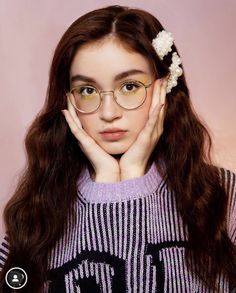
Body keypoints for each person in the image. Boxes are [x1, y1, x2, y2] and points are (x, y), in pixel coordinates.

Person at [0, 5, 235, 293]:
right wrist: (109, 188)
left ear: (166, 88)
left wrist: (132, 180)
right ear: (68, 100)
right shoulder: (36, 210)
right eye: (88, 91)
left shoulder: (223, 194)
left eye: (130, 86)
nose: (108, 113)